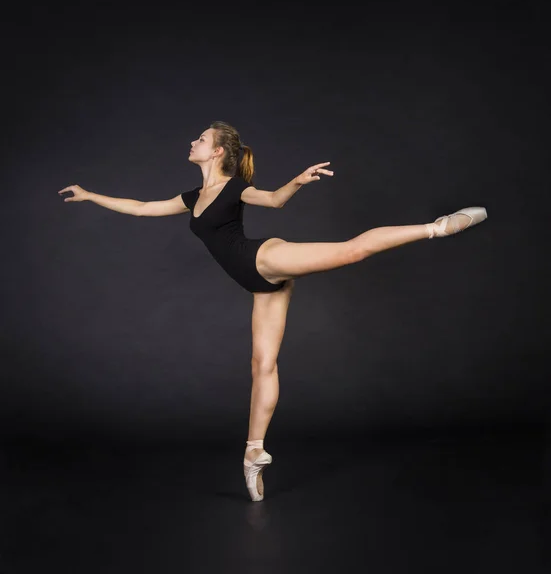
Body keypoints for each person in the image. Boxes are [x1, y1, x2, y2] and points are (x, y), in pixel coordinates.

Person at [58, 120, 488, 501]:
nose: (193, 142)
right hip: (258, 285)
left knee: (350, 251)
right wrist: (90, 195)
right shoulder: (192, 196)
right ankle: (254, 453)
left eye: (201, 138)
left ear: (218, 151)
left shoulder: (233, 188)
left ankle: (437, 227)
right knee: (262, 365)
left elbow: (276, 200)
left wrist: (298, 181)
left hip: (262, 259)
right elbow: (141, 207)